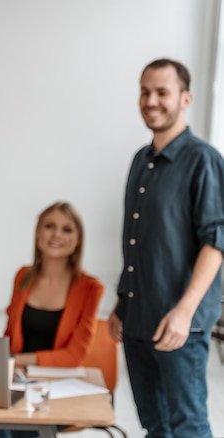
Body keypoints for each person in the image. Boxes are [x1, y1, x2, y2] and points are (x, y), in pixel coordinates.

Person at [108, 58, 224, 438]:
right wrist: (122, 305)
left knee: (188, 427)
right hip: (137, 323)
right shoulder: (140, 162)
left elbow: (216, 242)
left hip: (179, 326)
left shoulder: (203, 160)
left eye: (162, 92)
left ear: (185, 98)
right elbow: (138, 244)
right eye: (145, 92)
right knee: (155, 427)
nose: (151, 100)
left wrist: (185, 311)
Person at [0, 201, 104, 438]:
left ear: (78, 240)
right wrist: (2, 362)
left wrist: (17, 359)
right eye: (49, 226)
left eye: (67, 229)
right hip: (17, 380)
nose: (56, 234)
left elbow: (75, 355)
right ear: (38, 233)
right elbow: (10, 336)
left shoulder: (90, 288)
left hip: (56, 389)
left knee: (5, 428)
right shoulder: (23, 276)